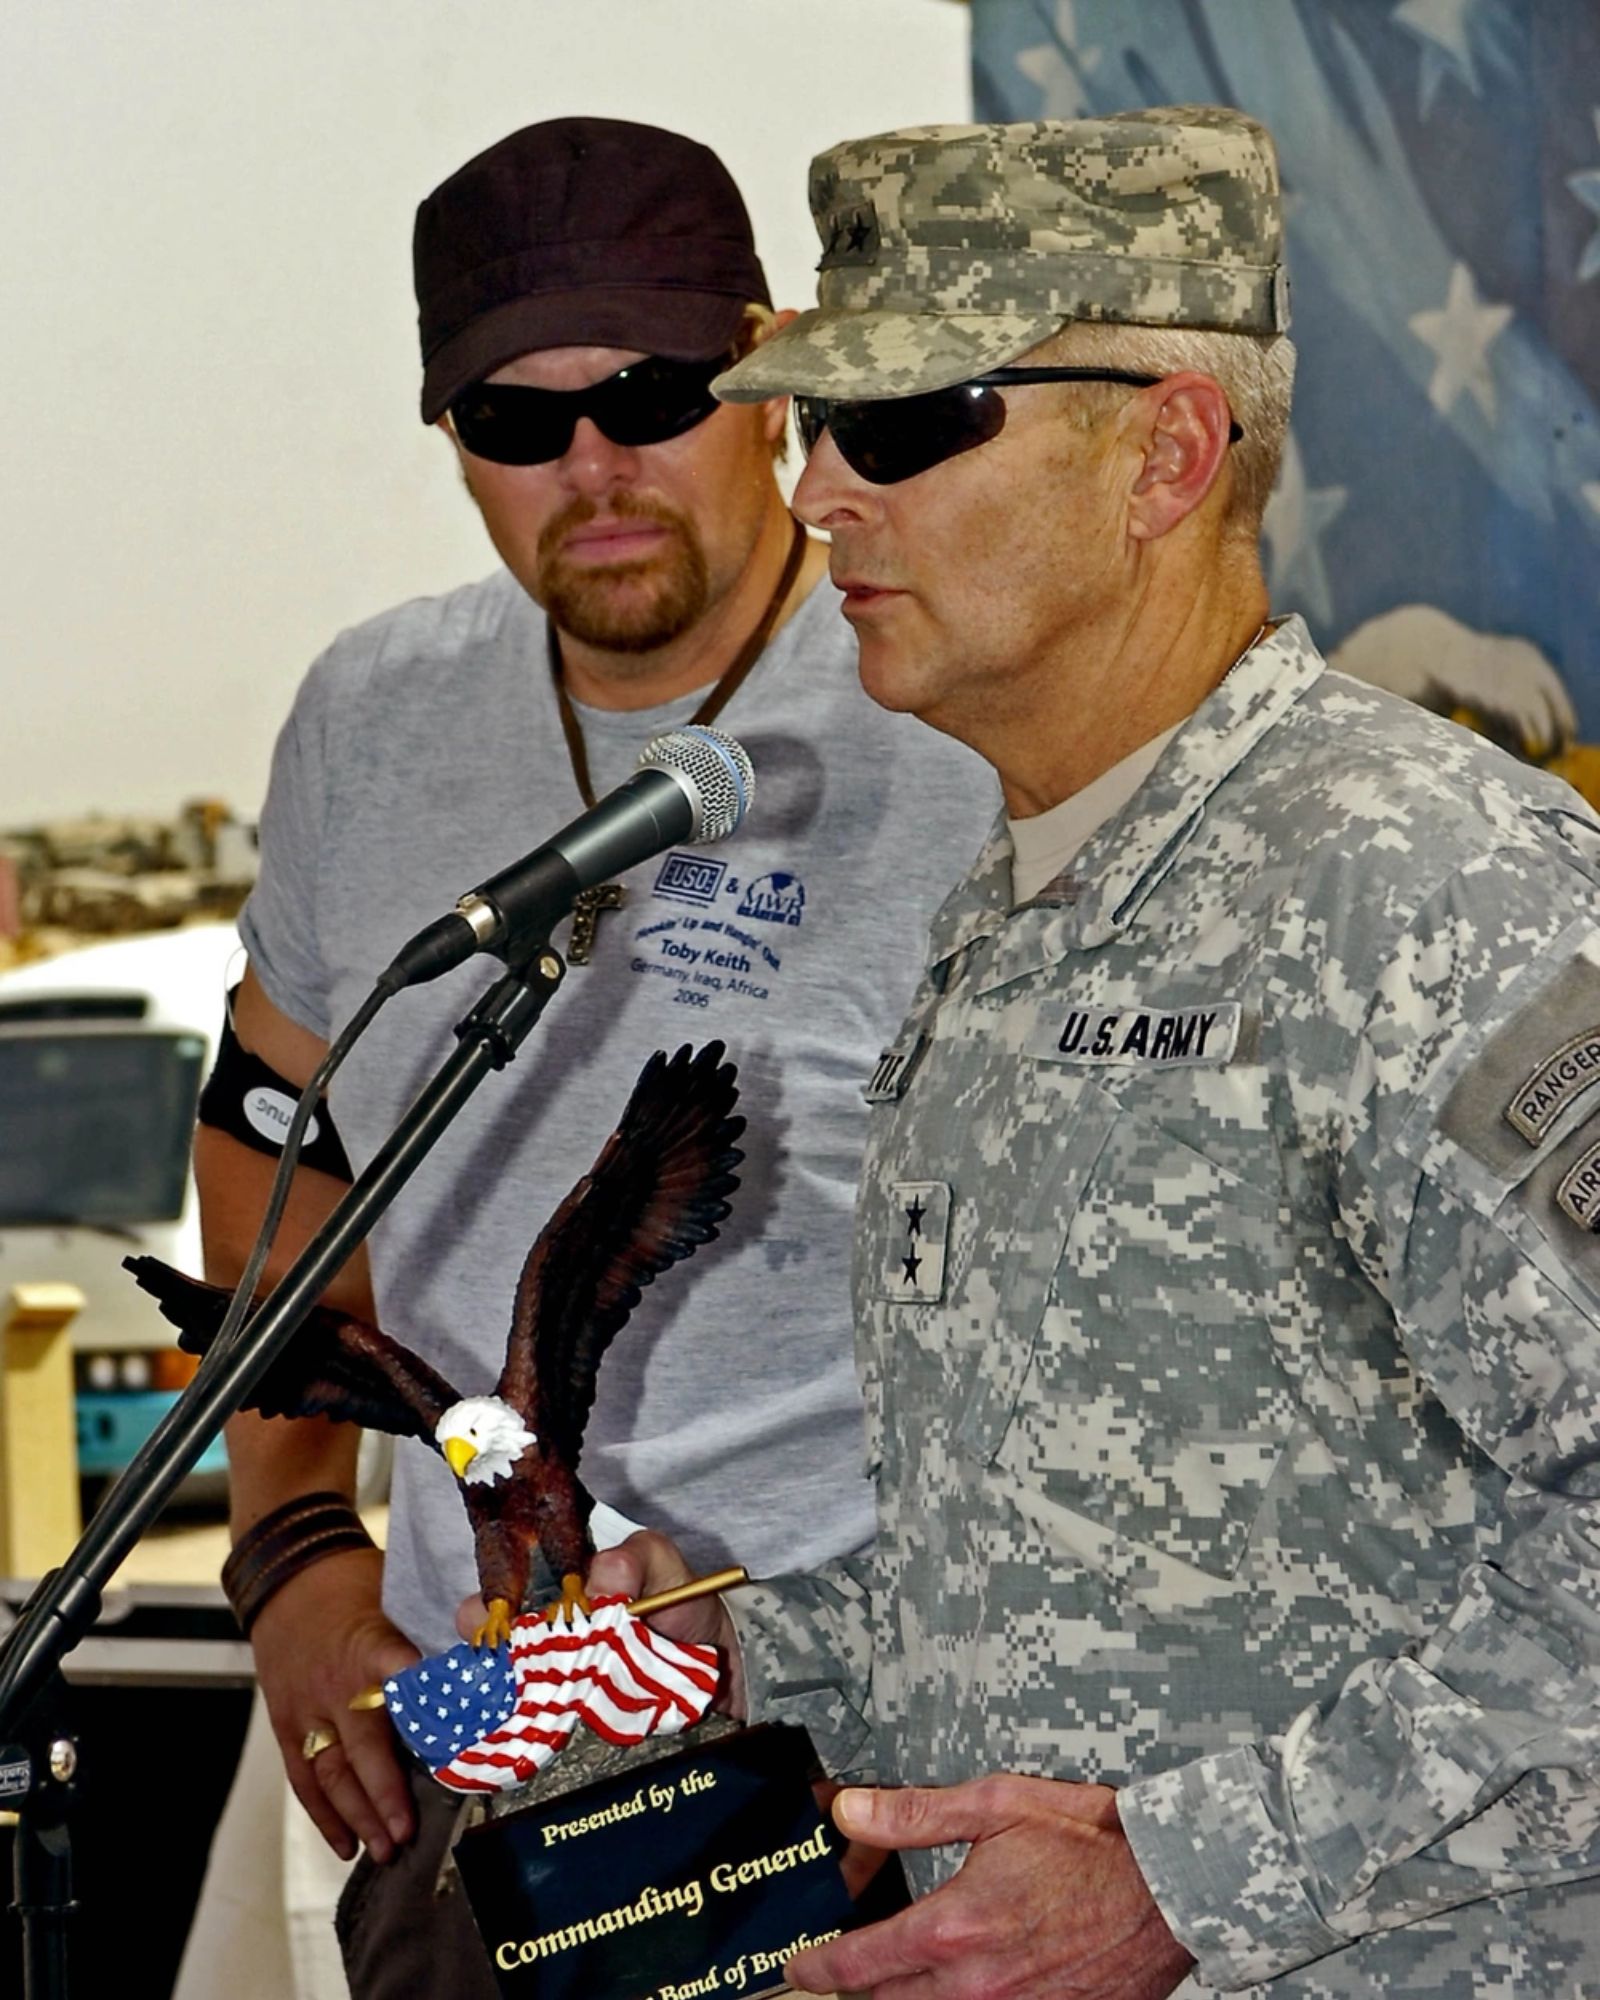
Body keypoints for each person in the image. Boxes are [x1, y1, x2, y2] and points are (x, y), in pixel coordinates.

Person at [599, 108, 1600, 1996]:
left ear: (1168, 452)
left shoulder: (1427, 889)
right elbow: (1094, 1570)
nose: (820, 497)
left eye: (901, 425)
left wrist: (1185, 1877)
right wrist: (748, 1653)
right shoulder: (1013, 917)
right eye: (817, 430)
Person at [184, 115, 991, 1999]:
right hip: (488, 1766)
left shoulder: (957, 707)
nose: (595, 466)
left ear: (769, 377)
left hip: (870, 1769)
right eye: (516, 420)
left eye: (652, 393)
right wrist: (293, 1549)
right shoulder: (371, 716)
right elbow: (270, 1129)